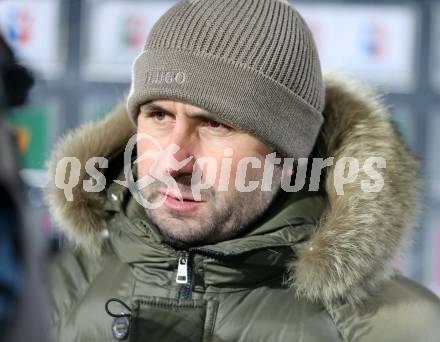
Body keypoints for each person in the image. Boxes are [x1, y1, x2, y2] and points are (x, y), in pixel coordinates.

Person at [45, 0, 440, 341]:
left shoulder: (400, 328)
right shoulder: (48, 293)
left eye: (215, 124)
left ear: (288, 159)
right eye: (159, 115)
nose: (172, 162)